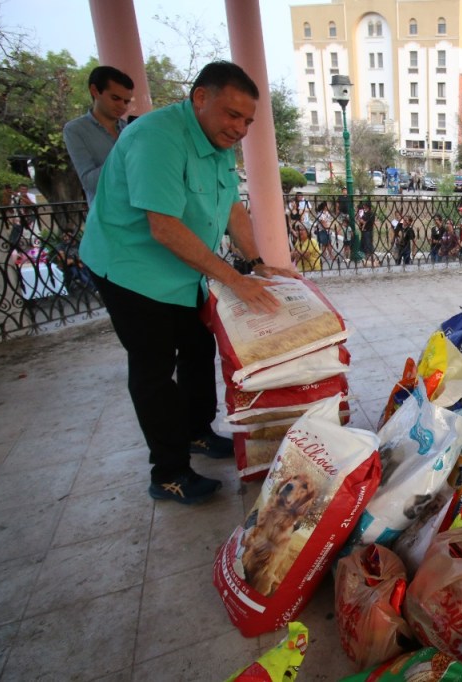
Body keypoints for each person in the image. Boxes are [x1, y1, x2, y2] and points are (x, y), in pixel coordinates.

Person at [79, 61, 299, 505]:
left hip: (182, 271)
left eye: (247, 121)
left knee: (198, 348)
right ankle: (169, 473)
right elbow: (163, 226)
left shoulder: (217, 144)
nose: (239, 128)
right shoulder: (155, 137)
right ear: (201, 98)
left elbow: (232, 209)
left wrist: (255, 261)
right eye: (232, 115)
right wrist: (234, 279)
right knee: (154, 369)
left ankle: (198, 432)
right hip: (130, 269)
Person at [63, 66, 135, 206]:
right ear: (95, 91)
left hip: (138, 213)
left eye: (126, 101)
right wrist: (127, 157)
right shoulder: (75, 130)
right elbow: (90, 183)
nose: (122, 106)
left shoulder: (130, 129)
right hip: (106, 217)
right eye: (115, 98)